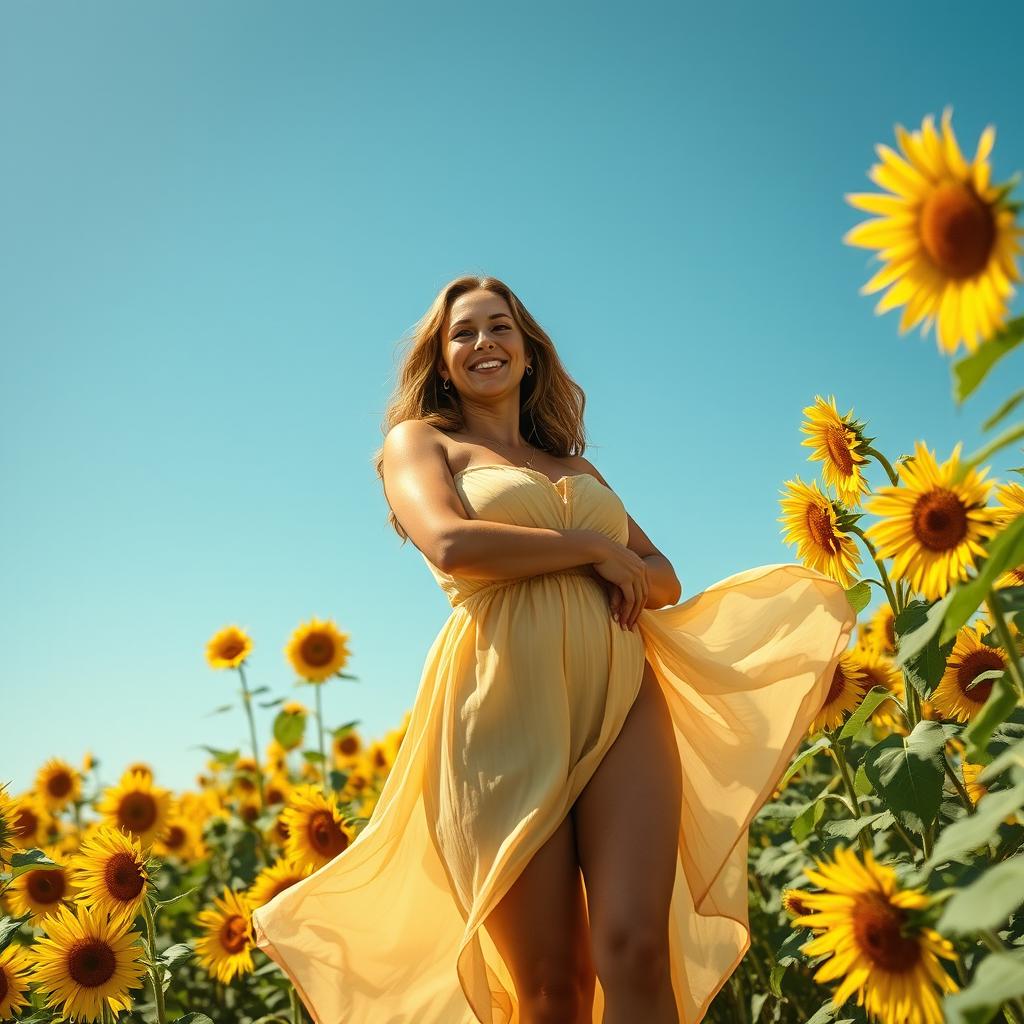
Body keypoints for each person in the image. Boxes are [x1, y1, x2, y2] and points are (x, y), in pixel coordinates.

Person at [251, 274, 857, 1024]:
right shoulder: (421, 442)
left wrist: (611, 558)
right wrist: (588, 550)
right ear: (441, 361)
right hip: (499, 707)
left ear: (528, 351)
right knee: (553, 989)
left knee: (636, 948)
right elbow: (448, 542)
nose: (483, 344)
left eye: (499, 328)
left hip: (622, 697)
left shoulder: (578, 468)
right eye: (463, 333)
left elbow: (661, 577)